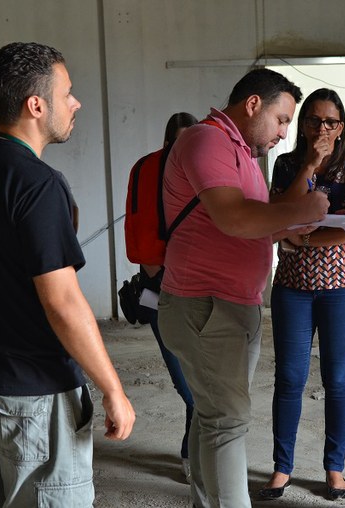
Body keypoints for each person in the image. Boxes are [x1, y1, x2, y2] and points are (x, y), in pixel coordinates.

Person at [0, 42, 135, 507]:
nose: (75, 103)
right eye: (68, 93)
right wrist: (113, 389)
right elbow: (63, 302)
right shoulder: (37, 184)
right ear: (36, 105)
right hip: (31, 391)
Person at [157, 68, 330, 508]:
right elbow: (234, 218)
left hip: (223, 306)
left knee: (212, 417)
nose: (284, 132)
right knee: (227, 422)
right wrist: (299, 208)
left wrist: (288, 219)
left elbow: (247, 227)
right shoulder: (207, 140)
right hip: (209, 307)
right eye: (282, 119)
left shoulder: (240, 152)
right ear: (253, 104)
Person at [258, 88, 345, 501]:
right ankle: (282, 468)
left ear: (341, 127)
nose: (322, 128)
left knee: (338, 380)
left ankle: (334, 469)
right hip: (293, 288)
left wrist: (302, 238)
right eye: (314, 120)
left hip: (343, 287)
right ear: (302, 125)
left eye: (330, 122)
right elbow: (279, 215)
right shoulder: (287, 163)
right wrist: (312, 163)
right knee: (289, 378)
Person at [126, 111, 199, 482]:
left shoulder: (203, 168)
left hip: (203, 289)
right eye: (179, 143)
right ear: (168, 143)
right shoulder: (147, 170)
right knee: (188, 385)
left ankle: (193, 451)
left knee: (203, 382)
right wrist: (163, 269)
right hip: (162, 289)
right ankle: (193, 454)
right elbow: (138, 236)